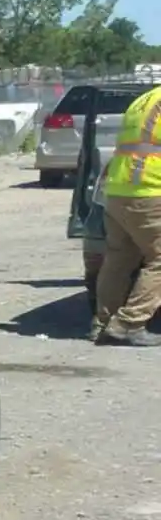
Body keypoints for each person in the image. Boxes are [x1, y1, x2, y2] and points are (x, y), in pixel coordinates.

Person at [95, 82, 161, 348]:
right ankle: (128, 324)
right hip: (150, 189)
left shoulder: (146, 98)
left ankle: (103, 322)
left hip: (121, 190)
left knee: (120, 258)